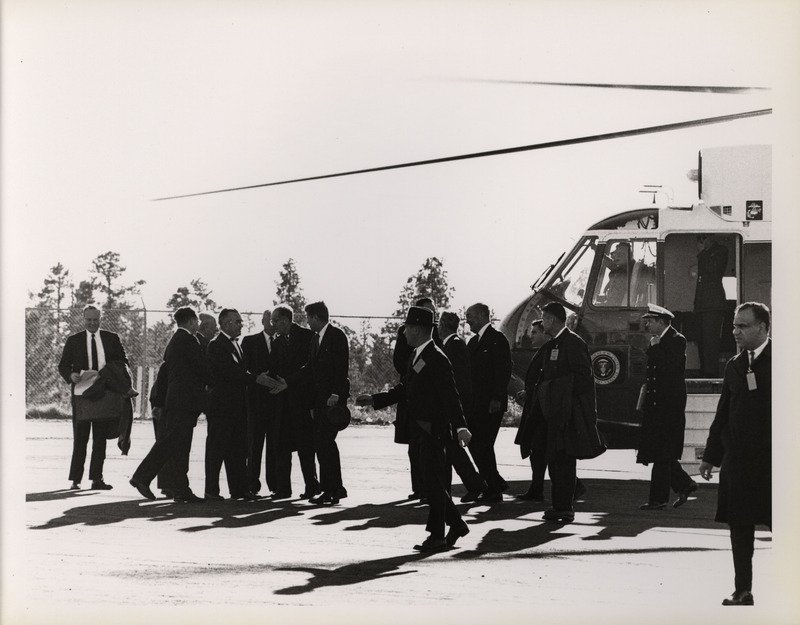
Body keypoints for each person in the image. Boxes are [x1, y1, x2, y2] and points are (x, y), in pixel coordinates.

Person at [357, 306, 473, 552]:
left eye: (407, 328)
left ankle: (438, 535)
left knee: (431, 482)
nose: (404, 334)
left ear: (419, 329)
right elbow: (403, 390)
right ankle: (455, 525)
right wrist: (375, 399)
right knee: (431, 483)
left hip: (433, 429)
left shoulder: (437, 358)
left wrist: (461, 426)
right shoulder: (415, 356)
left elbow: (450, 396)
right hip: (419, 429)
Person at [699, 302, 771, 607]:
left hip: (774, 464)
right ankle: (743, 590)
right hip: (739, 463)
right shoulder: (735, 366)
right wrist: (710, 456)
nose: (735, 332)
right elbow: (723, 414)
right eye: (733, 325)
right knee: (740, 528)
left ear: (763, 328)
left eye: (742, 326)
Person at [269, 301, 349, 505]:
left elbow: (341, 369)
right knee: (323, 446)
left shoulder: (336, 335)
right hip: (319, 402)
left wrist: (336, 394)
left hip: (331, 401)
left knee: (325, 446)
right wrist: (288, 382)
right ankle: (333, 488)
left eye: (308, 317)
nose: (306, 321)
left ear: (315, 317)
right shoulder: (316, 340)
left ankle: (332, 488)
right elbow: (309, 369)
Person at [532, 302, 605, 523]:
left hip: (568, 414)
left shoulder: (573, 343)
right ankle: (560, 504)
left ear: (552, 320)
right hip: (554, 413)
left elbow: (584, 378)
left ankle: (564, 508)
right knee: (555, 460)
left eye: (544, 318)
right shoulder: (554, 343)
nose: (542, 322)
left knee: (564, 461)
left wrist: (558, 390)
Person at [130, 307, 210, 503]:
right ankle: (141, 476)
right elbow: (201, 368)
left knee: (180, 446)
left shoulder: (174, 341)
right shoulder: (189, 341)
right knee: (171, 443)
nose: (198, 325)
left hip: (177, 401)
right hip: (185, 401)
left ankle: (181, 489)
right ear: (191, 321)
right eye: (197, 322)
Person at [58, 305, 129, 490]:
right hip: (82, 394)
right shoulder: (74, 340)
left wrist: (110, 373)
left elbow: (123, 362)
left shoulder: (111, 338)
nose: (92, 323)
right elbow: (63, 365)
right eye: (88, 320)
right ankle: (76, 479)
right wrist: (71, 376)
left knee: (100, 438)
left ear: (100, 319)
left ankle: (97, 479)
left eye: (95, 320)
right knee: (80, 438)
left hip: (104, 392)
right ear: (83, 319)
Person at [636, 304, 697, 510]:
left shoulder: (676, 340)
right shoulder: (659, 341)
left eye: (650, 321)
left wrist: (656, 348)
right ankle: (685, 485)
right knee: (662, 452)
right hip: (657, 406)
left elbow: (670, 368)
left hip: (668, 407)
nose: (647, 324)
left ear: (661, 322)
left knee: (662, 454)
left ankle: (658, 499)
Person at [204, 309, 270, 501]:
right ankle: (211, 491)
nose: (241, 324)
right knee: (217, 450)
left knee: (238, 450)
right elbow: (229, 372)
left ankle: (239, 489)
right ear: (226, 324)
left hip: (238, 408)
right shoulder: (216, 345)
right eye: (238, 321)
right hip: (222, 408)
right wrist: (256, 379)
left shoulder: (236, 345)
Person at [268, 304, 321, 500]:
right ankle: (283, 489)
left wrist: (289, 383)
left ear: (285, 321)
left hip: (302, 401)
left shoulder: (308, 337)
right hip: (283, 403)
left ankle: (312, 486)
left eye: (275, 321)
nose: (273, 325)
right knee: (282, 447)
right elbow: (275, 367)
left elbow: (310, 368)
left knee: (306, 447)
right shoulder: (276, 343)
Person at [393, 296, 443, 500]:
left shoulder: (436, 337)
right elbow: (399, 360)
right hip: (411, 394)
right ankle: (419, 488)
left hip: (429, 401)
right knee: (414, 446)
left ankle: (431, 489)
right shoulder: (405, 335)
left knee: (427, 448)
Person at [465, 302, 512, 502]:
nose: (468, 321)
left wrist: (496, 398)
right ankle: (495, 481)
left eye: (471, 316)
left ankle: (493, 489)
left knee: (483, 444)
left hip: (492, 404)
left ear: (484, 316)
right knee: (476, 444)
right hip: (476, 403)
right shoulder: (473, 342)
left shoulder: (497, 339)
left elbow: (503, 371)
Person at [438, 311, 486, 502]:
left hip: (456, 404)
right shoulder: (452, 344)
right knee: (451, 449)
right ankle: (469, 485)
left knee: (452, 448)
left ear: (442, 325)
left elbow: (458, 380)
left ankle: (475, 484)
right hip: (454, 404)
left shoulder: (454, 346)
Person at [241, 310, 278, 496]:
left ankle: (274, 484)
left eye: (275, 321)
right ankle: (251, 484)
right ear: (263, 321)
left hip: (276, 403)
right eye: (269, 320)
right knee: (254, 446)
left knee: (274, 446)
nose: (272, 324)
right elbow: (243, 371)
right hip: (255, 403)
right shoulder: (249, 342)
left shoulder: (282, 342)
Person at [694, 234, 729, 377]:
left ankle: (711, 372)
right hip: (704, 303)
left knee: (711, 340)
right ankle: (705, 370)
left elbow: (712, 269)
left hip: (714, 303)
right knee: (702, 339)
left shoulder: (721, 250)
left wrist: (703, 252)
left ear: (707, 239)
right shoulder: (707, 254)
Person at [599, 242, 633, 306]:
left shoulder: (623, 274)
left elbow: (613, 301)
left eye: (620, 254)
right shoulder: (623, 268)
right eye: (615, 253)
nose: (615, 257)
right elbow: (611, 264)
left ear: (628, 257)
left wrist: (599, 306)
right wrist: (596, 249)